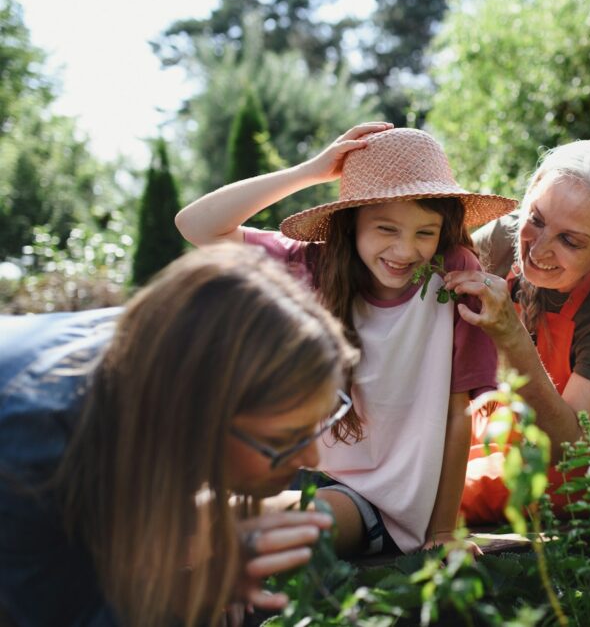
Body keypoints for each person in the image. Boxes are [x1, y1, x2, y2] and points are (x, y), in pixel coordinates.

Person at [176, 123, 518, 555]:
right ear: (351, 223)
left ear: (443, 230)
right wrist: (313, 171)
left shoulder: (453, 277)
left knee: (249, 527)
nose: (404, 250)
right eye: (386, 229)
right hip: (297, 468)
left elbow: (457, 413)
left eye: (424, 233)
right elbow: (196, 225)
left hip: (378, 500)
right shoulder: (315, 264)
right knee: (177, 512)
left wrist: (444, 532)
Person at [0, 243, 357, 627]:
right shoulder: (32, 452)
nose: (311, 461)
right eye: (284, 439)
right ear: (202, 420)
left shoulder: (171, 349)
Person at [442, 140, 590, 524]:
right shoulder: (501, 241)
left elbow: (571, 447)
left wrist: (511, 335)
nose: (537, 249)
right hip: (490, 439)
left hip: (573, 480)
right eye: (537, 219)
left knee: (421, 497)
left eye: (569, 240)